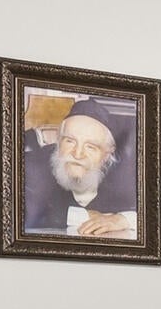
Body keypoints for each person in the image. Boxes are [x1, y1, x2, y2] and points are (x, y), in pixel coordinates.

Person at [23, 100, 138, 239]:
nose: (78, 154)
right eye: (70, 141)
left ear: (107, 154)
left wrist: (123, 219)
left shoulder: (125, 175)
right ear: (59, 141)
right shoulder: (30, 165)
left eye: (90, 147)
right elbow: (18, 210)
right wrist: (83, 216)